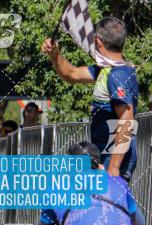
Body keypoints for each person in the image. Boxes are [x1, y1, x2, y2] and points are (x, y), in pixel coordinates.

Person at [42, 18, 138, 180]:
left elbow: (126, 118)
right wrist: (55, 54)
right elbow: (71, 74)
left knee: (110, 204)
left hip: (113, 157)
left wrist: (114, 168)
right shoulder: (106, 69)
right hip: (104, 154)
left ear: (98, 41)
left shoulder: (117, 75)